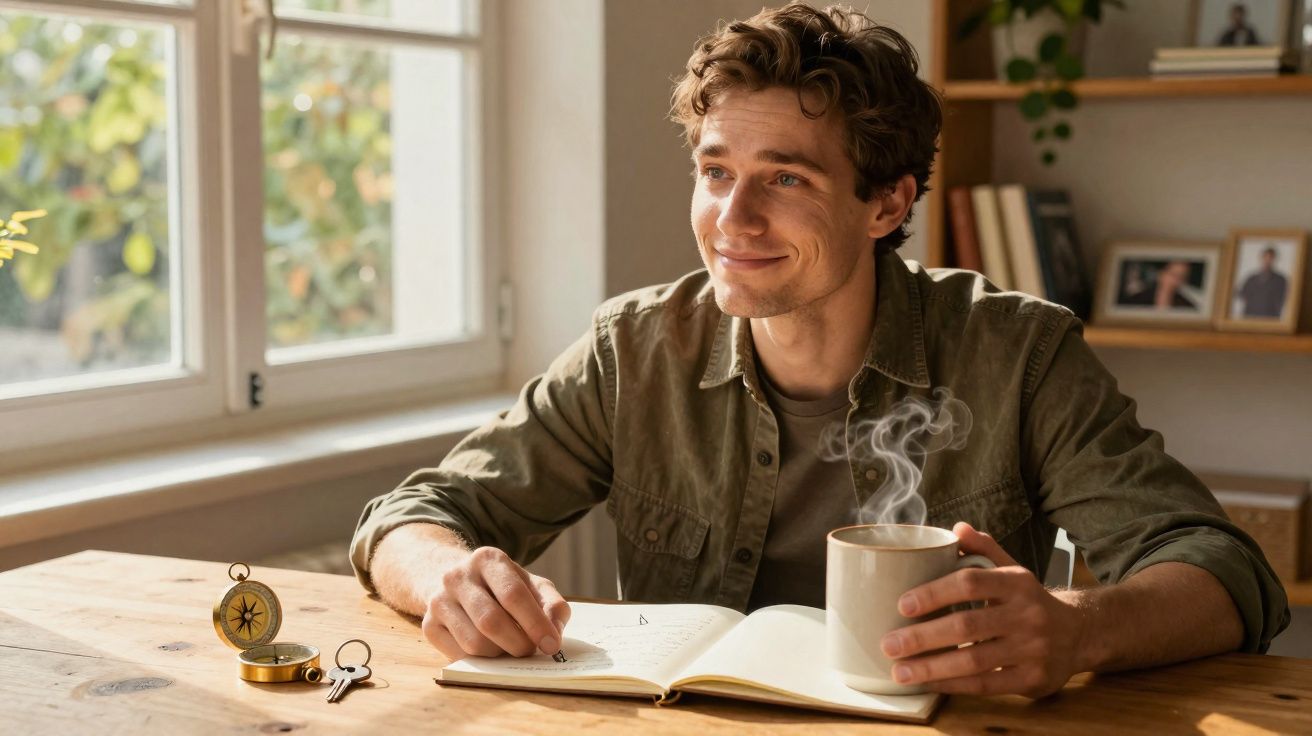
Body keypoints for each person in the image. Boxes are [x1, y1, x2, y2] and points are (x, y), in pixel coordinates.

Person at [350, 3, 1288, 698]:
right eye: (715, 171)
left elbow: (1222, 569)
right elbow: (419, 512)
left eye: (784, 178)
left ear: (886, 204)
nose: (732, 218)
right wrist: (450, 576)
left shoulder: (1019, 353)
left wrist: (1080, 629)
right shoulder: (634, 349)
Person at [1118, 260, 1200, 310]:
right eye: (1173, 274)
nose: (1175, 279)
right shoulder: (1140, 297)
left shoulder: (1186, 304)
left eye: (1181, 276)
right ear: (1162, 273)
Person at [1237, 246, 1288, 318]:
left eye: (1270, 258)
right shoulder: (1251, 278)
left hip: (1270, 318)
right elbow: (1242, 294)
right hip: (1250, 317)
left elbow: (1283, 299)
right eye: (1265, 257)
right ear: (1261, 258)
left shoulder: (1280, 280)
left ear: (1274, 259)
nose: (1267, 261)